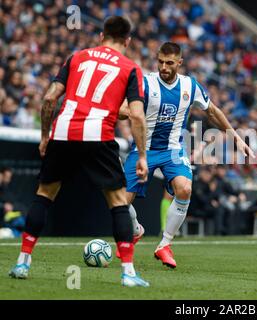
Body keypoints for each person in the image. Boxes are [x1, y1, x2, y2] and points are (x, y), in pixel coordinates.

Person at [8, 16, 150, 287]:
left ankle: (23, 262)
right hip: (98, 134)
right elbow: (137, 116)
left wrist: (45, 136)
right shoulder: (131, 68)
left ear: (101, 36)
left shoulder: (77, 57)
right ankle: (128, 273)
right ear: (128, 41)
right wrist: (142, 155)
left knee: (44, 196)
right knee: (119, 202)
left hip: (63, 132)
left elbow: (50, 97)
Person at [118, 42, 254, 268]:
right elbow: (123, 109)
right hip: (144, 149)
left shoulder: (189, 86)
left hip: (172, 150)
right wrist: (130, 111)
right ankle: (136, 230)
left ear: (179, 63)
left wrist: (236, 137)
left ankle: (165, 245)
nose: (163, 66)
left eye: (169, 63)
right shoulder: (145, 82)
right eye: (160, 61)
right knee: (120, 205)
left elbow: (213, 111)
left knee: (185, 188)